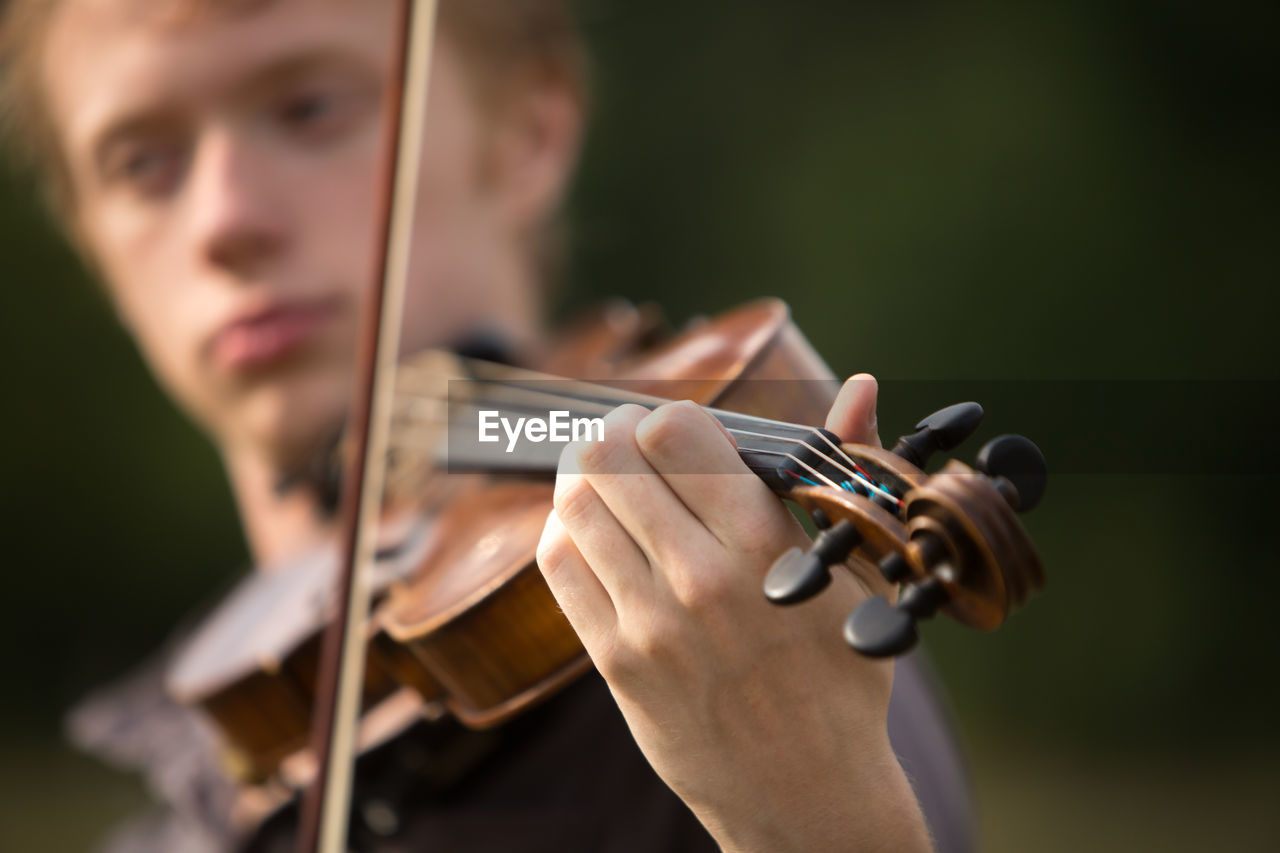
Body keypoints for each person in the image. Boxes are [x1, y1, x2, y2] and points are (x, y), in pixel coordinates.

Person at [0, 0, 972, 850]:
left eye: (308, 108)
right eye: (142, 163)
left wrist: (820, 817)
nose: (224, 217)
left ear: (526, 135)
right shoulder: (175, 813)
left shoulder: (724, 668)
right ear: (93, 244)